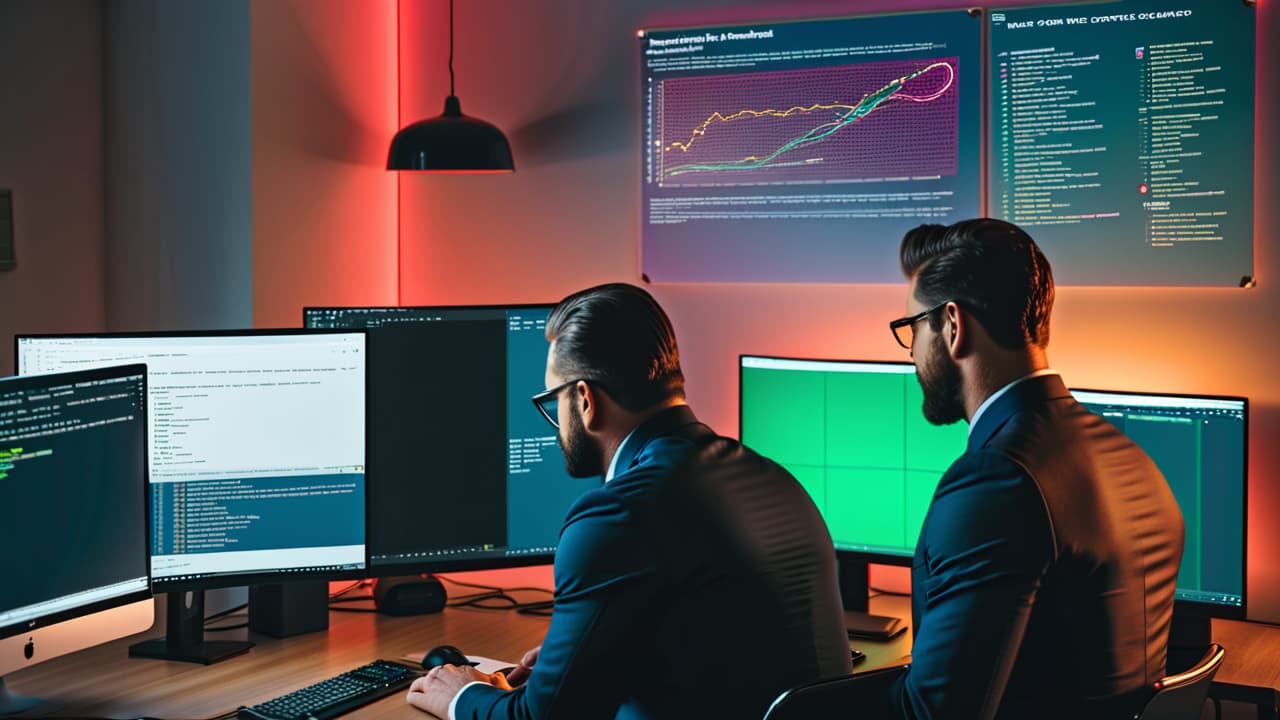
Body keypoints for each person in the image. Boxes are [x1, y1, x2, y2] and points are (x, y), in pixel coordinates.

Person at [407, 282, 852, 720]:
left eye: (552, 401)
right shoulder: (771, 477)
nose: (554, 423)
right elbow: (721, 638)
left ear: (585, 400)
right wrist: (589, 655)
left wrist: (460, 696)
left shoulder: (616, 515)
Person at [883, 219, 1184, 719]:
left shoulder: (995, 479)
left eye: (913, 329)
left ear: (953, 327)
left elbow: (935, 713)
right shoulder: (1129, 458)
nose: (912, 352)